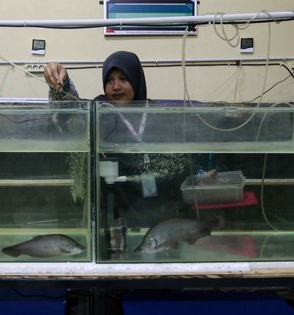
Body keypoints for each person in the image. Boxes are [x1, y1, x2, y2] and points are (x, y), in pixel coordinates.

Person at [44, 51, 196, 229]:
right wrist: (62, 85)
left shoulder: (159, 113)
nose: (115, 86)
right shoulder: (101, 112)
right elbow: (72, 114)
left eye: (123, 79)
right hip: (115, 215)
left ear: (136, 80)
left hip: (161, 215)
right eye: (109, 80)